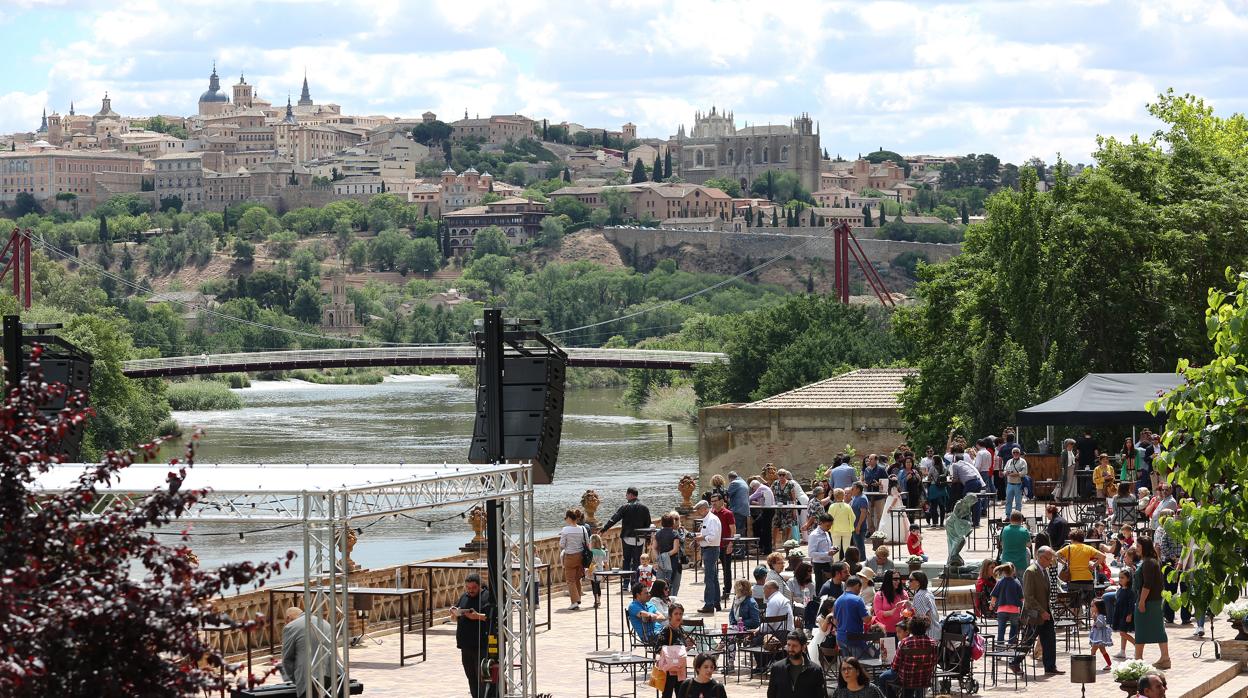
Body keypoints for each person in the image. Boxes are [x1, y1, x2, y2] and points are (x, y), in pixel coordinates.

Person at [1015, 547, 1061, 676]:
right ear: (1040, 557)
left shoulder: (1044, 571)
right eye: (1048, 559)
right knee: (1028, 640)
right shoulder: (1031, 572)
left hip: (1046, 612)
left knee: (1049, 640)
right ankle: (1015, 662)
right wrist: (1041, 611)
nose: (1050, 562)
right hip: (1034, 614)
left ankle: (1050, 666)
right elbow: (1029, 597)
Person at [601, 486, 652, 591]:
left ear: (630, 494)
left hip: (627, 537)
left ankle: (625, 584)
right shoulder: (644, 508)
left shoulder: (625, 507)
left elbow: (614, 518)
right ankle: (635, 583)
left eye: (626, 494)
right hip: (640, 537)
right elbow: (648, 524)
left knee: (626, 560)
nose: (626, 496)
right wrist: (648, 539)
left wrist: (604, 529)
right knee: (637, 561)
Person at [453, 574, 495, 698]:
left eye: (474, 588)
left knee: (481, 676)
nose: (471, 590)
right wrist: (454, 613)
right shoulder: (464, 597)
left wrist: (476, 616)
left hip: (480, 644)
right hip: (465, 644)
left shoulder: (487, 597)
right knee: (470, 676)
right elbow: (456, 617)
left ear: (479, 586)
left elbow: (491, 617)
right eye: (468, 588)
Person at [875, 616, 938, 698]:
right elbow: (934, 661)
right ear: (925, 628)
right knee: (909, 679)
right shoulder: (933, 643)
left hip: (906, 680)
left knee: (882, 678)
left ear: (910, 628)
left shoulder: (905, 642)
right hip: (924, 679)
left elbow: (895, 666)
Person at [280, 606, 335, 698]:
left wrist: (296, 679)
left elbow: (287, 659)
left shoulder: (291, 627)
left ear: (288, 618)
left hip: (309, 680)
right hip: (333, 676)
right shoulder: (325, 623)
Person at [1134, 538, 1170, 668]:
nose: (1136, 548)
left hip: (1149, 601)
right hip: (1154, 601)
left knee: (1141, 629)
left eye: (1138, 546)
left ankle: (1138, 659)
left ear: (1145, 547)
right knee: (1158, 629)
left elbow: (1147, 584)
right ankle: (1164, 658)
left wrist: (1142, 601)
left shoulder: (1149, 563)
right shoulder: (1150, 561)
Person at [651, 602, 694, 698]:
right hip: (669, 670)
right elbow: (658, 648)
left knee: (682, 694)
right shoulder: (666, 630)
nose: (678, 616)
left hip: (680, 669)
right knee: (667, 695)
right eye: (676, 614)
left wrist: (687, 647)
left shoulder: (680, 630)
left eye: (680, 614)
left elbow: (681, 650)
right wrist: (673, 651)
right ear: (670, 616)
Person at [767, 631, 824, 698]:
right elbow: (771, 694)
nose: (791, 649)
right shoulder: (777, 668)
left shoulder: (815, 670)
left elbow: (820, 695)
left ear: (803, 647)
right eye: (789, 645)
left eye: (794, 646)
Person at [1057, 530, 1106, 607]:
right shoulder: (1088, 548)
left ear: (1072, 539)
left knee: (1074, 604)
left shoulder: (1068, 548)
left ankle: (1077, 618)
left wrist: (1064, 563)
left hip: (1073, 579)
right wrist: (1094, 565)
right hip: (1087, 579)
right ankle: (1089, 617)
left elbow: (1055, 556)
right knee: (1090, 603)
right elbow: (1103, 556)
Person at [694, 500, 723, 613]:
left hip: (711, 550)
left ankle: (709, 604)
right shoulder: (709, 519)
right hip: (708, 549)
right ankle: (716, 602)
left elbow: (712, 537)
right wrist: (698, 539)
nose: (698, 512)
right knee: (713, 577)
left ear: (705, 509)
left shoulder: (712, 519)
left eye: (699, 509)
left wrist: (699, 538)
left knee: (709, 578)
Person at [834, 576, 872, 659]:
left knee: (848, 665)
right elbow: (866, 620)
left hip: (841, 638)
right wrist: (871, 611)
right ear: (857, 585)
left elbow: (835, 622)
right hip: (854, 639)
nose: (860, 591)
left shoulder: (838, 600)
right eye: (860, 588)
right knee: (862, 664)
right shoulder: (858, 600)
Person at [711, 492, 737, 602]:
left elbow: (733, 529)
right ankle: (714, 591)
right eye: (712, 501)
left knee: (726, 569)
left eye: (715, 501)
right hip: (713, 545)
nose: (713, 503)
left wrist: (731, 544)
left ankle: (726, 591)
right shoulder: (711, 513)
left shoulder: (728, 513)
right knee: (712, 570)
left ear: (721, 501)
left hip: (725, 545)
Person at [990, 562, 1023, 645]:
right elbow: (1022, 598)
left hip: (1001, 610)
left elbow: (994, 596)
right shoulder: (1017, 582)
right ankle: (1011, 645)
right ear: (1013, 571)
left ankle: (1000, 646)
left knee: (1001, 629)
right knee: (1014, 628)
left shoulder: (1000, 582)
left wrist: (992, 605)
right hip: (1014, 610)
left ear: (1003, 571)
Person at [652, 512, 684, 596]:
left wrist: (659, 557)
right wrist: (666, 555)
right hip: (673, 561)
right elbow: (675, 549)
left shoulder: (657, 534)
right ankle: (672, 603)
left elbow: (654, 548)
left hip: (661, 563)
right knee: (673, 584)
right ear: (672, 522)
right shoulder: (674, 534)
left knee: (661, 584)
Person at [873, 569, 909, 637]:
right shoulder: (879, 594)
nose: (898, 581)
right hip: (886, 632)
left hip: (902, 631)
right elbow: (877, 612)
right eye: (895, 579)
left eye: (899, 579)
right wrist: (891, 612)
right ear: (888, 580)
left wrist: (908, 609)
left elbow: (908, 611)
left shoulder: (903, 593)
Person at [906, 571, 940, 640]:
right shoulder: (927, 592)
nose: (908, 582)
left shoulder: (919, 596)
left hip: (928, 636)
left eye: (911, 580)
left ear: (918, 582)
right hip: (935, 632)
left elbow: (921, 621)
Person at [1111, 567, 1137, 658]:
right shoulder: (1120, 590)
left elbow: (1131, 604)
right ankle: (1122, 651)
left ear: (1128, 579)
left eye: (1122, 578)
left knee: (1122, 632)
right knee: (1122, 632)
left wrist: (1129, 614)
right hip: (1120, 613)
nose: (1120, 579)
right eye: (1119, 577)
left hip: (1126, 614)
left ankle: (1136, 645)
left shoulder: (1130, 591)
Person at [808, 512, 836, 590]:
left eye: (830, 525)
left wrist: (833, 549)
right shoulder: (814, 535)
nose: (829, 527)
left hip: (828, 563)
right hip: (819, 565)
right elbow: (811, 553)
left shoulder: (826, 533)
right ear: (821, 523)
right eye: (828, 525)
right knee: (821, 587)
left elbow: (826, 547)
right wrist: (827, 553)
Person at [750, 478, 776, 555]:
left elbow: (751, 498)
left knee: (766, 530)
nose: (753, 490)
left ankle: (767, 549)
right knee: (757, 524)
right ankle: (760, 545)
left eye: (753, 488)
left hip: (768, 510)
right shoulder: (764, 487)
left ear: (755, 486)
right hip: (768, 509)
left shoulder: (761, 488)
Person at [773, 469, 800, 544]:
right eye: (780, 475)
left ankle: (787, 542)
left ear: (786, 475)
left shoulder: (790, 484)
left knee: (788, 525)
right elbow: (772, 494)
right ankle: (774, 543)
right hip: (778, 508)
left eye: (783, 475)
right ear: (777, 475)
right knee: (775, 525)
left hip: (788, 508)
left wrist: (794, 510)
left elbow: (793, 498)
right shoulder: (775, 483)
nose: (781, 476)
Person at [863, 455, 889, 530]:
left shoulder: (881, 469)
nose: (869, 461)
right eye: (868, 459)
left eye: (871, 459)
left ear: (876, 460)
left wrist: (879, 483)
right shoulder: (867, 469)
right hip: (869, 495)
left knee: (879, 515)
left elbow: (886, 481)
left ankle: (879, 531)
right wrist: (865, 484)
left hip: (879, 496)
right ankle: (871, 530)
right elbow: (865, 480)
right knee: (868, 514)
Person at [829, 488, 856, 560]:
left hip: (835, 530)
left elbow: (829, 518)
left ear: (834, 496)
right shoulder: (847, 506)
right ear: (843, 496)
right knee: (846, 548)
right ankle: (846, 564)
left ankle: (836, 564)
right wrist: (850, 525)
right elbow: (853, 517)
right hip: (847, 530)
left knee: (835, 547)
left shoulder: (832, 506)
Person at [726, 471, 752, 543]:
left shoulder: (734, 483)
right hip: (745, 510)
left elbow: (727, 495)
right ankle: (742, 550)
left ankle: (738, 550)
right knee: (742, 530)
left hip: (737, 510)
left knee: (737, 531)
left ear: (730, 478)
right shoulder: (743, 482)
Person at [925, 453, 949, 528]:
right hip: (942, 488)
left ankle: (934, 523)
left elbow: (928, 477)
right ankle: (942, 523)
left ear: (935, 461)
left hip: (934, 488)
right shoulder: (944, 468)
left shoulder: (932, 468)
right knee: (942, 507)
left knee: (934, 506)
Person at [1002, 448, 1029, 517]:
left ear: (1019, 453)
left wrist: (1016, 474)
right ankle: (1008, 516)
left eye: (1017, 452)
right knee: (1008, 501)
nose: (1015, 453)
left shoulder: (1023, 461)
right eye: (1014, 452)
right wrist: (1006, 473)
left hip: (1018, 484)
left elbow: (1024, 472)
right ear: (1012, 453)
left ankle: (1017, 516)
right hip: (1009, 484)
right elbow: (1004, 470)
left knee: (1018, 502)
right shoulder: (1009, 461)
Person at [1089, 597, 1113, 671]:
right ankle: (1109, 664)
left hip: (1099, 638)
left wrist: (1095, 619)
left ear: (1098, 607)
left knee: (1093, 651)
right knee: (1102, 650)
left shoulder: (1100, 616)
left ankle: (1089, 665)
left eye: (1093, 606)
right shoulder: (1097, 615)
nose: (1091, 608)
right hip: (1097, 637)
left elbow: (1100, 625)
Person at [850, 482, 871, 557]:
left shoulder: (862, 498)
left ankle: (862, 563)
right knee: (857, 547)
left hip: (859, 527)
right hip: (854, 526)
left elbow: (863, 513)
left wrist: (858, 526)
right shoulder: (856, 497)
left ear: (858, 489)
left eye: (853, 489)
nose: (851, 490)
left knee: (860, 547)